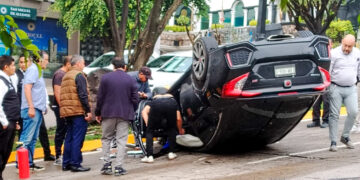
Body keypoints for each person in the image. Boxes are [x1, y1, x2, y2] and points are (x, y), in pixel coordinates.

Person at [95, 58, 139, 176]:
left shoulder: (105, 78)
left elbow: (100, 97)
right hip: (125, 114)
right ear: (124, 67)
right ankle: (119, 167)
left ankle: (107, 165)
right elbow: (135, 99)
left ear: (113, 66)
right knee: (121, 140)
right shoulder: (130, 79)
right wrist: (132, 110)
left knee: (106, 139)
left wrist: (98, 112)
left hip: (108, 113)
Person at [16, 54, 55, 162]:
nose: (48, 62)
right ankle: (21, 163)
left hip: (38, 109)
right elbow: (27, 88)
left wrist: (43, 106)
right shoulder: (33, 70)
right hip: (31, 109)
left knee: (33, 139)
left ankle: (29, 162)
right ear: (40, 59)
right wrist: (31, 107)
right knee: (26, 138)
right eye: (46, 60)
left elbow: (39, 91)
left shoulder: (38, 71)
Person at [328, 34, 360, 152]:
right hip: (336, 87)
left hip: (351, 88)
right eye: (345, 45)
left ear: (354, 45)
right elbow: (328, 71)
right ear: (342, 42)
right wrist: (328, 87)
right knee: (334, 115)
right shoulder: (334, 53)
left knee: (353, 112)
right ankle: (333, 141)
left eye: (349, 46)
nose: (347, 48)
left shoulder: (357, 53)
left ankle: (345, 136)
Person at [60, 55, 92, 172]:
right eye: (83, 63)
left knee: (69, 137)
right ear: (78, 63)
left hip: (68, 111)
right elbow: (83, 95)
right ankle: (75, 163)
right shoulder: (79, 75)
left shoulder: (66, 75)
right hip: (78, 111)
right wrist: (87, 110)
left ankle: (66, 163)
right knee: (77, 138)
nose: (84, 65)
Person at [141, 87, 185, 163]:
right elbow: (178, 118)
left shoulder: (154, 99)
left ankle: (149, 156)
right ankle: (171, 153)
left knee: (150, 131)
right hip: (171, 104)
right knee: (172, 129)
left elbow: (144, 112)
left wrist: (149, 124)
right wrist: (180, 130)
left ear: (155, 93)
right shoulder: (172, 100)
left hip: (156, 104)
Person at [0, 56, 20, 180]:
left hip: (11, 121)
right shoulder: (1, 81)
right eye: (12, 65)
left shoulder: (9, 79)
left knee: (6, 151)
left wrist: (15, 120)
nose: (15, 67)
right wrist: (4, 121)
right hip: (5, 124)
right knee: (2, 151)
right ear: (6, 67)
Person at [51, 56, 71, 165]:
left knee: (65, 130)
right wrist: (62, 107)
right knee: (61, 131)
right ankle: (58, 156)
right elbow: (57, 92)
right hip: (60, 107)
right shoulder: (59, 74)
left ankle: (63, 154)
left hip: (64, 107)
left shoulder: (65, 74)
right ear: (68, 64)